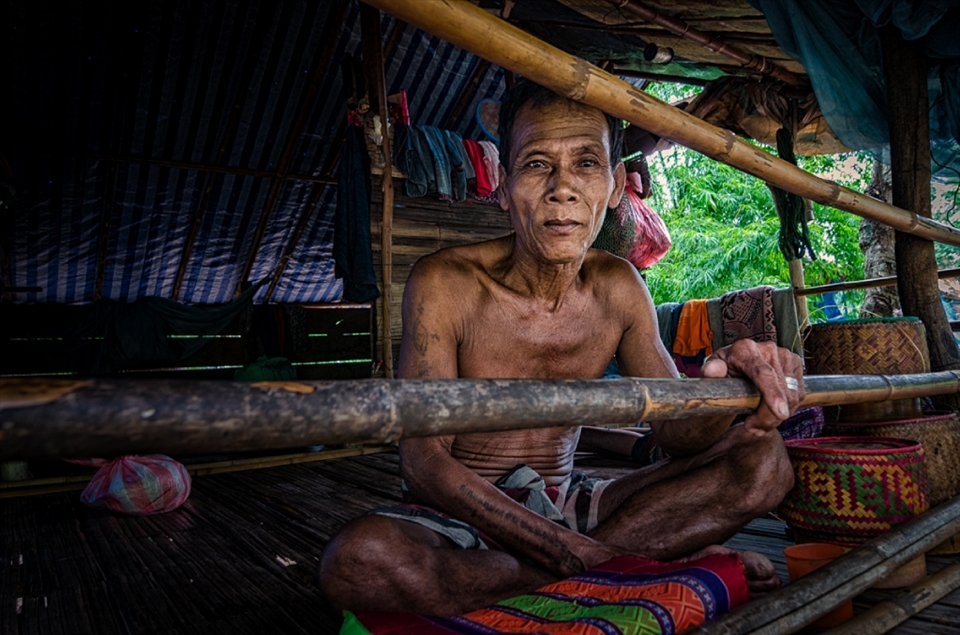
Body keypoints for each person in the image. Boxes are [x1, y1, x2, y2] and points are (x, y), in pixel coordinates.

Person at [319, 79, 804, 616]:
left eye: (587, 164)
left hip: (570, 501)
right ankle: (636, 568)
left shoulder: (619, 286)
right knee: (359, 561)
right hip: (465, 513)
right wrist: (574, 552)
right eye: (536, 165)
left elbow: (675, 433)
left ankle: (584, 574)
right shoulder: (445, 282)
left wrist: (720, 388)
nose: (563, 189)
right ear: (503, 185)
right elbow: (424, 462)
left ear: (617, 185)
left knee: (764, 461)